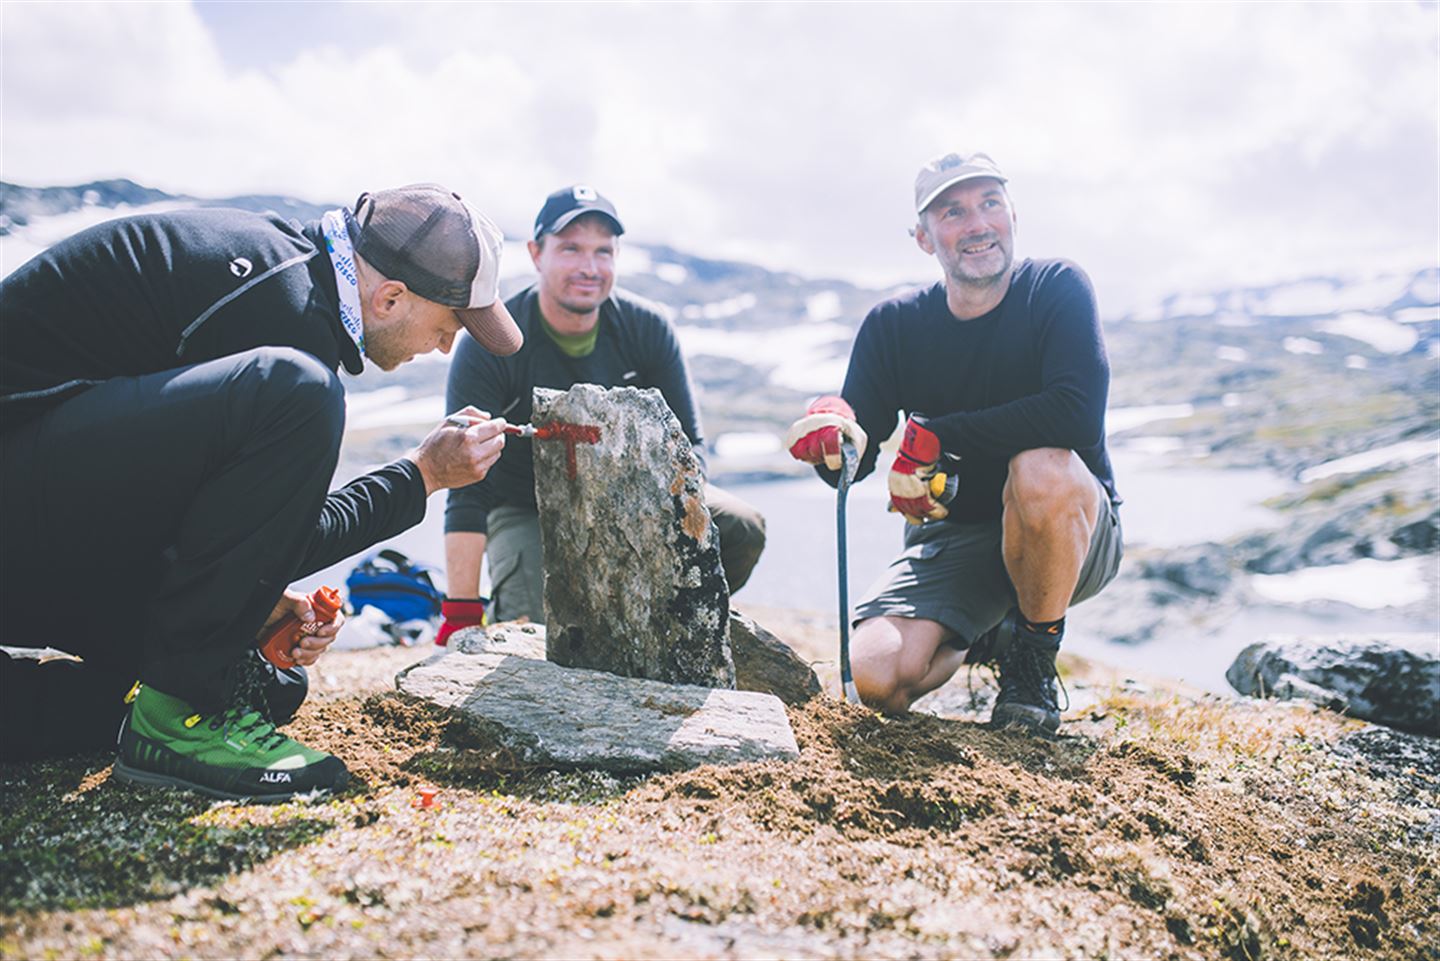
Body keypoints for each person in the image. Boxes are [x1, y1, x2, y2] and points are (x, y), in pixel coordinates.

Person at [0, 184, 523, 799]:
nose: (443, 346)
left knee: (264, 685)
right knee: (299, 392)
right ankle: (174, 724)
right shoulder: (283, 313)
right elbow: (284, 536)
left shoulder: (294, 286)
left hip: (47, 515)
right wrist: (423, 475)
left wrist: (246, 593)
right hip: (27, 503)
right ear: (389, 298)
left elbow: (212, 519)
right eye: (448, 324)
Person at [785, 152, 1123, 734]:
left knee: (1040, 467)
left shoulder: (1057, 288)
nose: (977, 224)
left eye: (990, 202)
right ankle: (985, 630)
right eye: (952, 211)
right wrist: (833, 436)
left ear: (1013, 213)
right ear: (923, 237)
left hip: (1074, 527)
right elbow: (856, 455)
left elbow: (1074, 416)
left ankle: (1032, 662)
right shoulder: (895, 326)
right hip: (956, 537)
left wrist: (941, 434)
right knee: (871, 679)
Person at [440, 185, 766, 639]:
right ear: (536, 254)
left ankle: (675, 631)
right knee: (537, 637)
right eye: (571, 248)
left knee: (740, 526)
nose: (589, 267)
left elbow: (690, 448)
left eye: (603, 251)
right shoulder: (491, 342)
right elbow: (465, 483)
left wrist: (658, 519)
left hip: (637, 496)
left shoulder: (647, 329)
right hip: (523, 506)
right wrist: (460, 611)